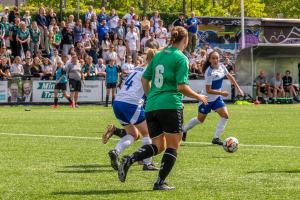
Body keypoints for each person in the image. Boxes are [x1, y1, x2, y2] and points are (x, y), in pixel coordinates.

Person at [117, 26, 208, 190]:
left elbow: (145, 80)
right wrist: (199, 96)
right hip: (170, 105)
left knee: (159, 146)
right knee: (173, 146)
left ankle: (130, 159)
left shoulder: (158, 56)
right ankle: (159, 182)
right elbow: (181, 87)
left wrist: (150, 95)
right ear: (186, 40)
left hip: (151, 106)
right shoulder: (180, 58)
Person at [106, 49, 158, 171]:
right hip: (131, 103)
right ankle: (147, 163)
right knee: (148, 133)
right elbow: (147, 86)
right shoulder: (150, 70)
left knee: (134, 134)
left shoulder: (136, 68)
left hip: (118, 102)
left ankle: (116, 151)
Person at [182, 51, 244, 143]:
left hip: (216, 98)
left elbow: (230, 76)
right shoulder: (209, 72)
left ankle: (216, 138)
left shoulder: (222, 67)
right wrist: (222, 93)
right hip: (206, 99)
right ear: (210, 60)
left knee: (225, 116)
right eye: (213, 58)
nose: (216, 60)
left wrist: (238, 88)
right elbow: (208, 90)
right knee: (200, 120)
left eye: (217, 58)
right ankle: (184, 130)